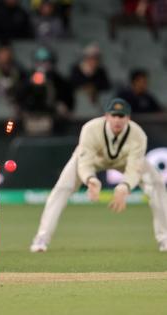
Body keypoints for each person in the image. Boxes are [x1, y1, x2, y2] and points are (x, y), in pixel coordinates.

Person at [30, 98, 167, 253]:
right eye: (113, 115)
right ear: (106, 116)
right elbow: (84, 162)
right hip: (93, 160)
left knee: (156, 183)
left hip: (124, 161)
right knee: (62, 188)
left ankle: (165, 238)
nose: (117, 120)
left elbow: (135, 167)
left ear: (128, 118)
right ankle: (41, 238)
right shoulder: (90, 128)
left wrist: (124, 187)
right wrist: (90, 179)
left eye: (121, 116)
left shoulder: (138, 135)